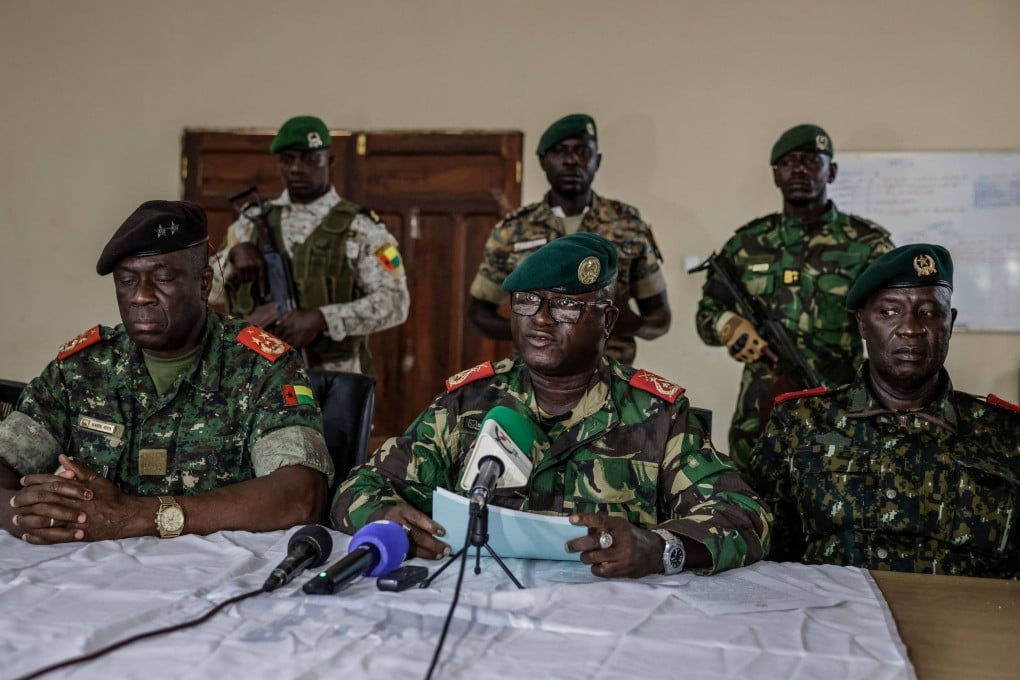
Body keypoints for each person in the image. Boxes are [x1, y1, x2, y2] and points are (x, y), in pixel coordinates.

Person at [335, 233, 770, 578]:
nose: (541, 318)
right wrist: (386, 517)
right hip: (485, 610)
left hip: (612, 621)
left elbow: (745, 514)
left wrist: (660, 548)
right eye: (527, 300)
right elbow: (359, 487)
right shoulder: (467, 403)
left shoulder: (657, 415)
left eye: (565, 305)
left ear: (608, 320)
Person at [0, 200, 333, 544]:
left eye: (162, 279)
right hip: (96, 570)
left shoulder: (260, 367)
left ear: (204, 283)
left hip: (218, 569)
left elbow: (302, 495)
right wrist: (17, 513)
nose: (141, 296)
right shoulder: (81, 369)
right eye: (126, 280)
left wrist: (137, 516)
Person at [747, 244, 1019, 578]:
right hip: (833, 608)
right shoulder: (799, 423)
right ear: (862, 323)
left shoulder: (1006, 433)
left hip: (968, 610)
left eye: (929, 313)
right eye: (889, 312)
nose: (910, 328)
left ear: (950, 322)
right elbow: (760, 550)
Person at [695, 124, 894, 471]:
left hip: (838, 409)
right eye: (788, 162)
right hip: (758, 416)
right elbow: (706, 313)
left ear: (832, 171)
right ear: (776, 175)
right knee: (751, 498)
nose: (799, 169)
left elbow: (894, 323)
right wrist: (727, 325)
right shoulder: (747, 243)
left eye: (811, 161)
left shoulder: (867, 245)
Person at [211, 115, 410, 375]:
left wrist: (322, 319)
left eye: (310, 159)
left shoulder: (361, 228)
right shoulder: (250, 223)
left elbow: (396, 303)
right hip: (255, 373)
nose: (297, 168)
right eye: (287, 159)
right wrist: (232, 256)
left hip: (331, 375)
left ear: (330, 160)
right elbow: (207, 291)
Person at [468, 113, 670, 365]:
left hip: (607, 374)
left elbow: (660, 318)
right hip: (535, 374)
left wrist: (631, 324)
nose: (572, 160)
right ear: (543, 161)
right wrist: (530, 327)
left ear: (597, 161)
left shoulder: (628, 226)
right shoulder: (513, 231)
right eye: (560, 151)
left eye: (582, 152)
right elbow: (479, 313)